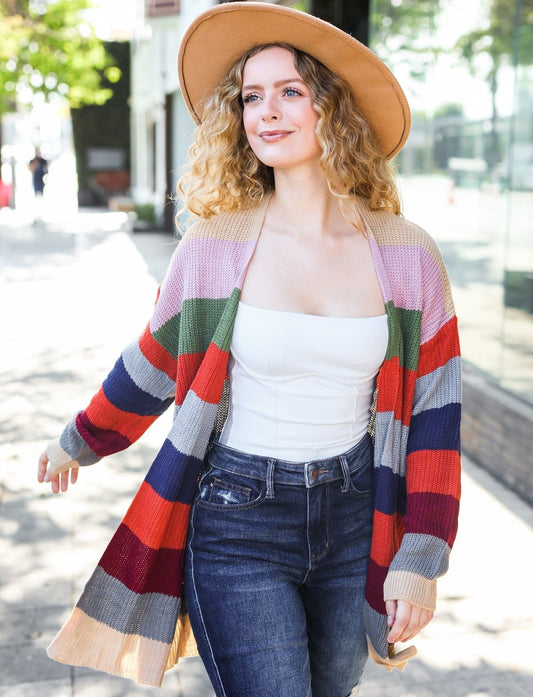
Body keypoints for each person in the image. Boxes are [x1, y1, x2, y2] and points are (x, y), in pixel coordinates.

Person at [37, 3, 461, 696]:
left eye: (290, 91)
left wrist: (421, 554)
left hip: (358, 516)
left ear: (333, 109)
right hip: (238, 520)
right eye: (251, 96)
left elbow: (437, 414)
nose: (266, 110)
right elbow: (149, 363)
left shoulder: (405, 254)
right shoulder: (215, 247)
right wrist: (77, 440)